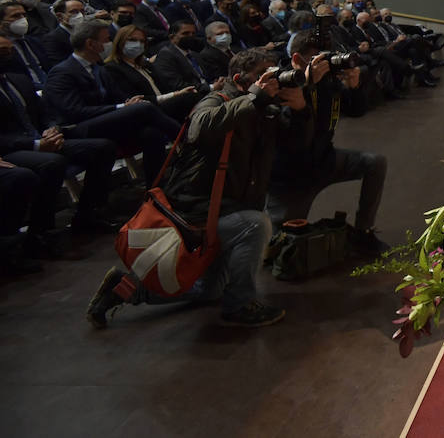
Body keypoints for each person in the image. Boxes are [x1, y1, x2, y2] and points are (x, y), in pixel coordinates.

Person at [86, 49, 311, 329]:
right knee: (255, 225)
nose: (272, 83)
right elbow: (199, 128)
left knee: (210, 290)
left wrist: (301, 109)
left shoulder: (265, 108)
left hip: (230, 206)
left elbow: (297, 146)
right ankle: (240, 304)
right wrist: (255, 98)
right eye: (263, 77)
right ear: (240, 79)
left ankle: (125, 289)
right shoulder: (217, 100)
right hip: (197, 211)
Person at [265, 30, 388, 257]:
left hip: (324, 160)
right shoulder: (282, 84)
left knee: (375, 162)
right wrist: (308, 86)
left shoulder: (328, 83)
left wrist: (355, 86)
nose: (326, 64)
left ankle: (363, 231)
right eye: (318, 59)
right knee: (280, 249)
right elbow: (293, 141)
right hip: (291, 176)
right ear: (297, 60)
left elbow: (356, 111)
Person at [0, 34, 119, 243]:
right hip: (9, 149)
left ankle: (88, 214)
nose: (10, 57)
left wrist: (51, 130)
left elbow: (45, 113)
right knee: (52, 163)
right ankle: (40, 231)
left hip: (44, 139)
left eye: (12, 51)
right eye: (2, 54)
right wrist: (35, 144)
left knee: (103, 148)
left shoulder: (19, 80)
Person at [41, 19, 176, 184]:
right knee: (144, 109)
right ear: (91, 44)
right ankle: (187, 141)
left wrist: (128, 102)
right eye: (106, 40)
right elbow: (74, 112)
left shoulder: (99, 69)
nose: (110, 43)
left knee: (151, 133)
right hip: (78, 128)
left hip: (105, 123)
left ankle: (156, 187)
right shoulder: (62, 72)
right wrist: (121, 107)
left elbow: (118, 97)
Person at [103, 24, 206, 123]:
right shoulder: (113, 68)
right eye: (132, 40)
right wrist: (175, 95)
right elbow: (134, 99)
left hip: (164, 103)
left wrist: (179, 93)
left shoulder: (146, 65)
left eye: (142, 41)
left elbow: (164, 87)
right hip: (147, 108)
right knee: (191, 98)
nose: (138, 44)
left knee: (193, 94)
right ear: (120, 42)